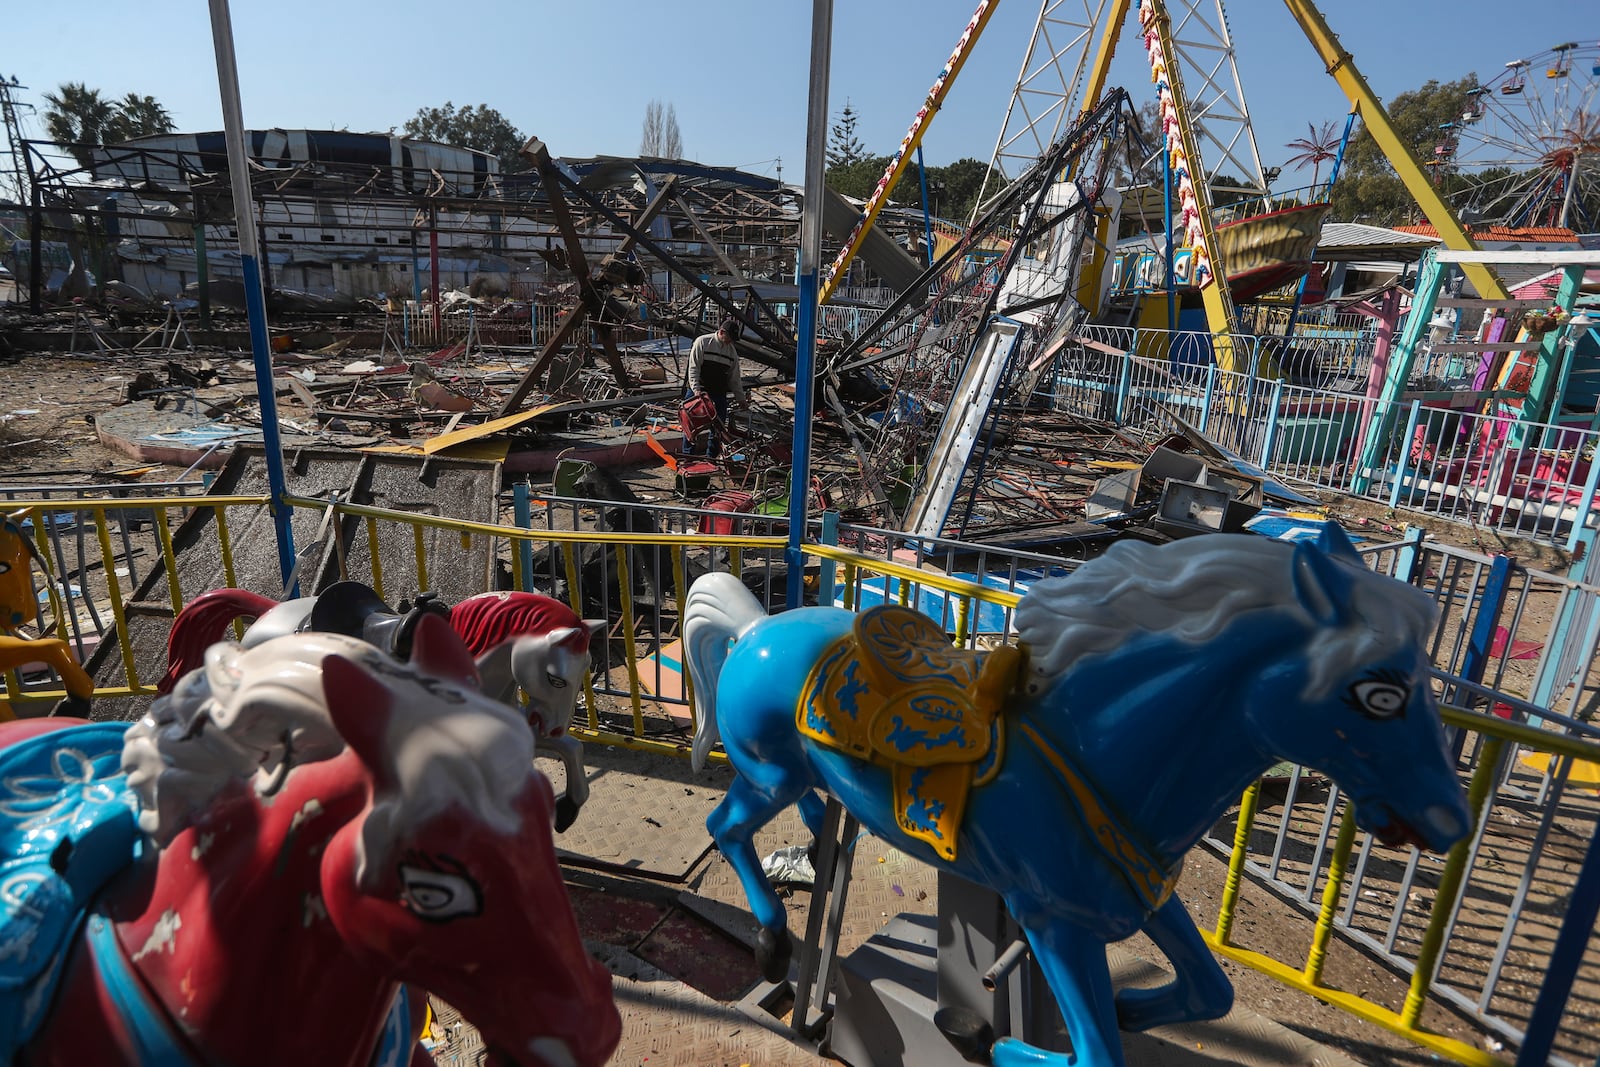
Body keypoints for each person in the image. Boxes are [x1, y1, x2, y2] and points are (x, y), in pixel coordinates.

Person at [685, 317, 747, 458]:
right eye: (729, 337)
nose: (730, 341)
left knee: (718, 429)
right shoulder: (703, 342)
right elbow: (693, 368)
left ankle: (711, 458)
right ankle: (688, 456)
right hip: (699, 391)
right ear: (721, 332)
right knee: (690, 425)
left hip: (718, 392)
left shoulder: (731, 352)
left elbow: (734, 378)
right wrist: (697, 391)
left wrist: (741, 399)